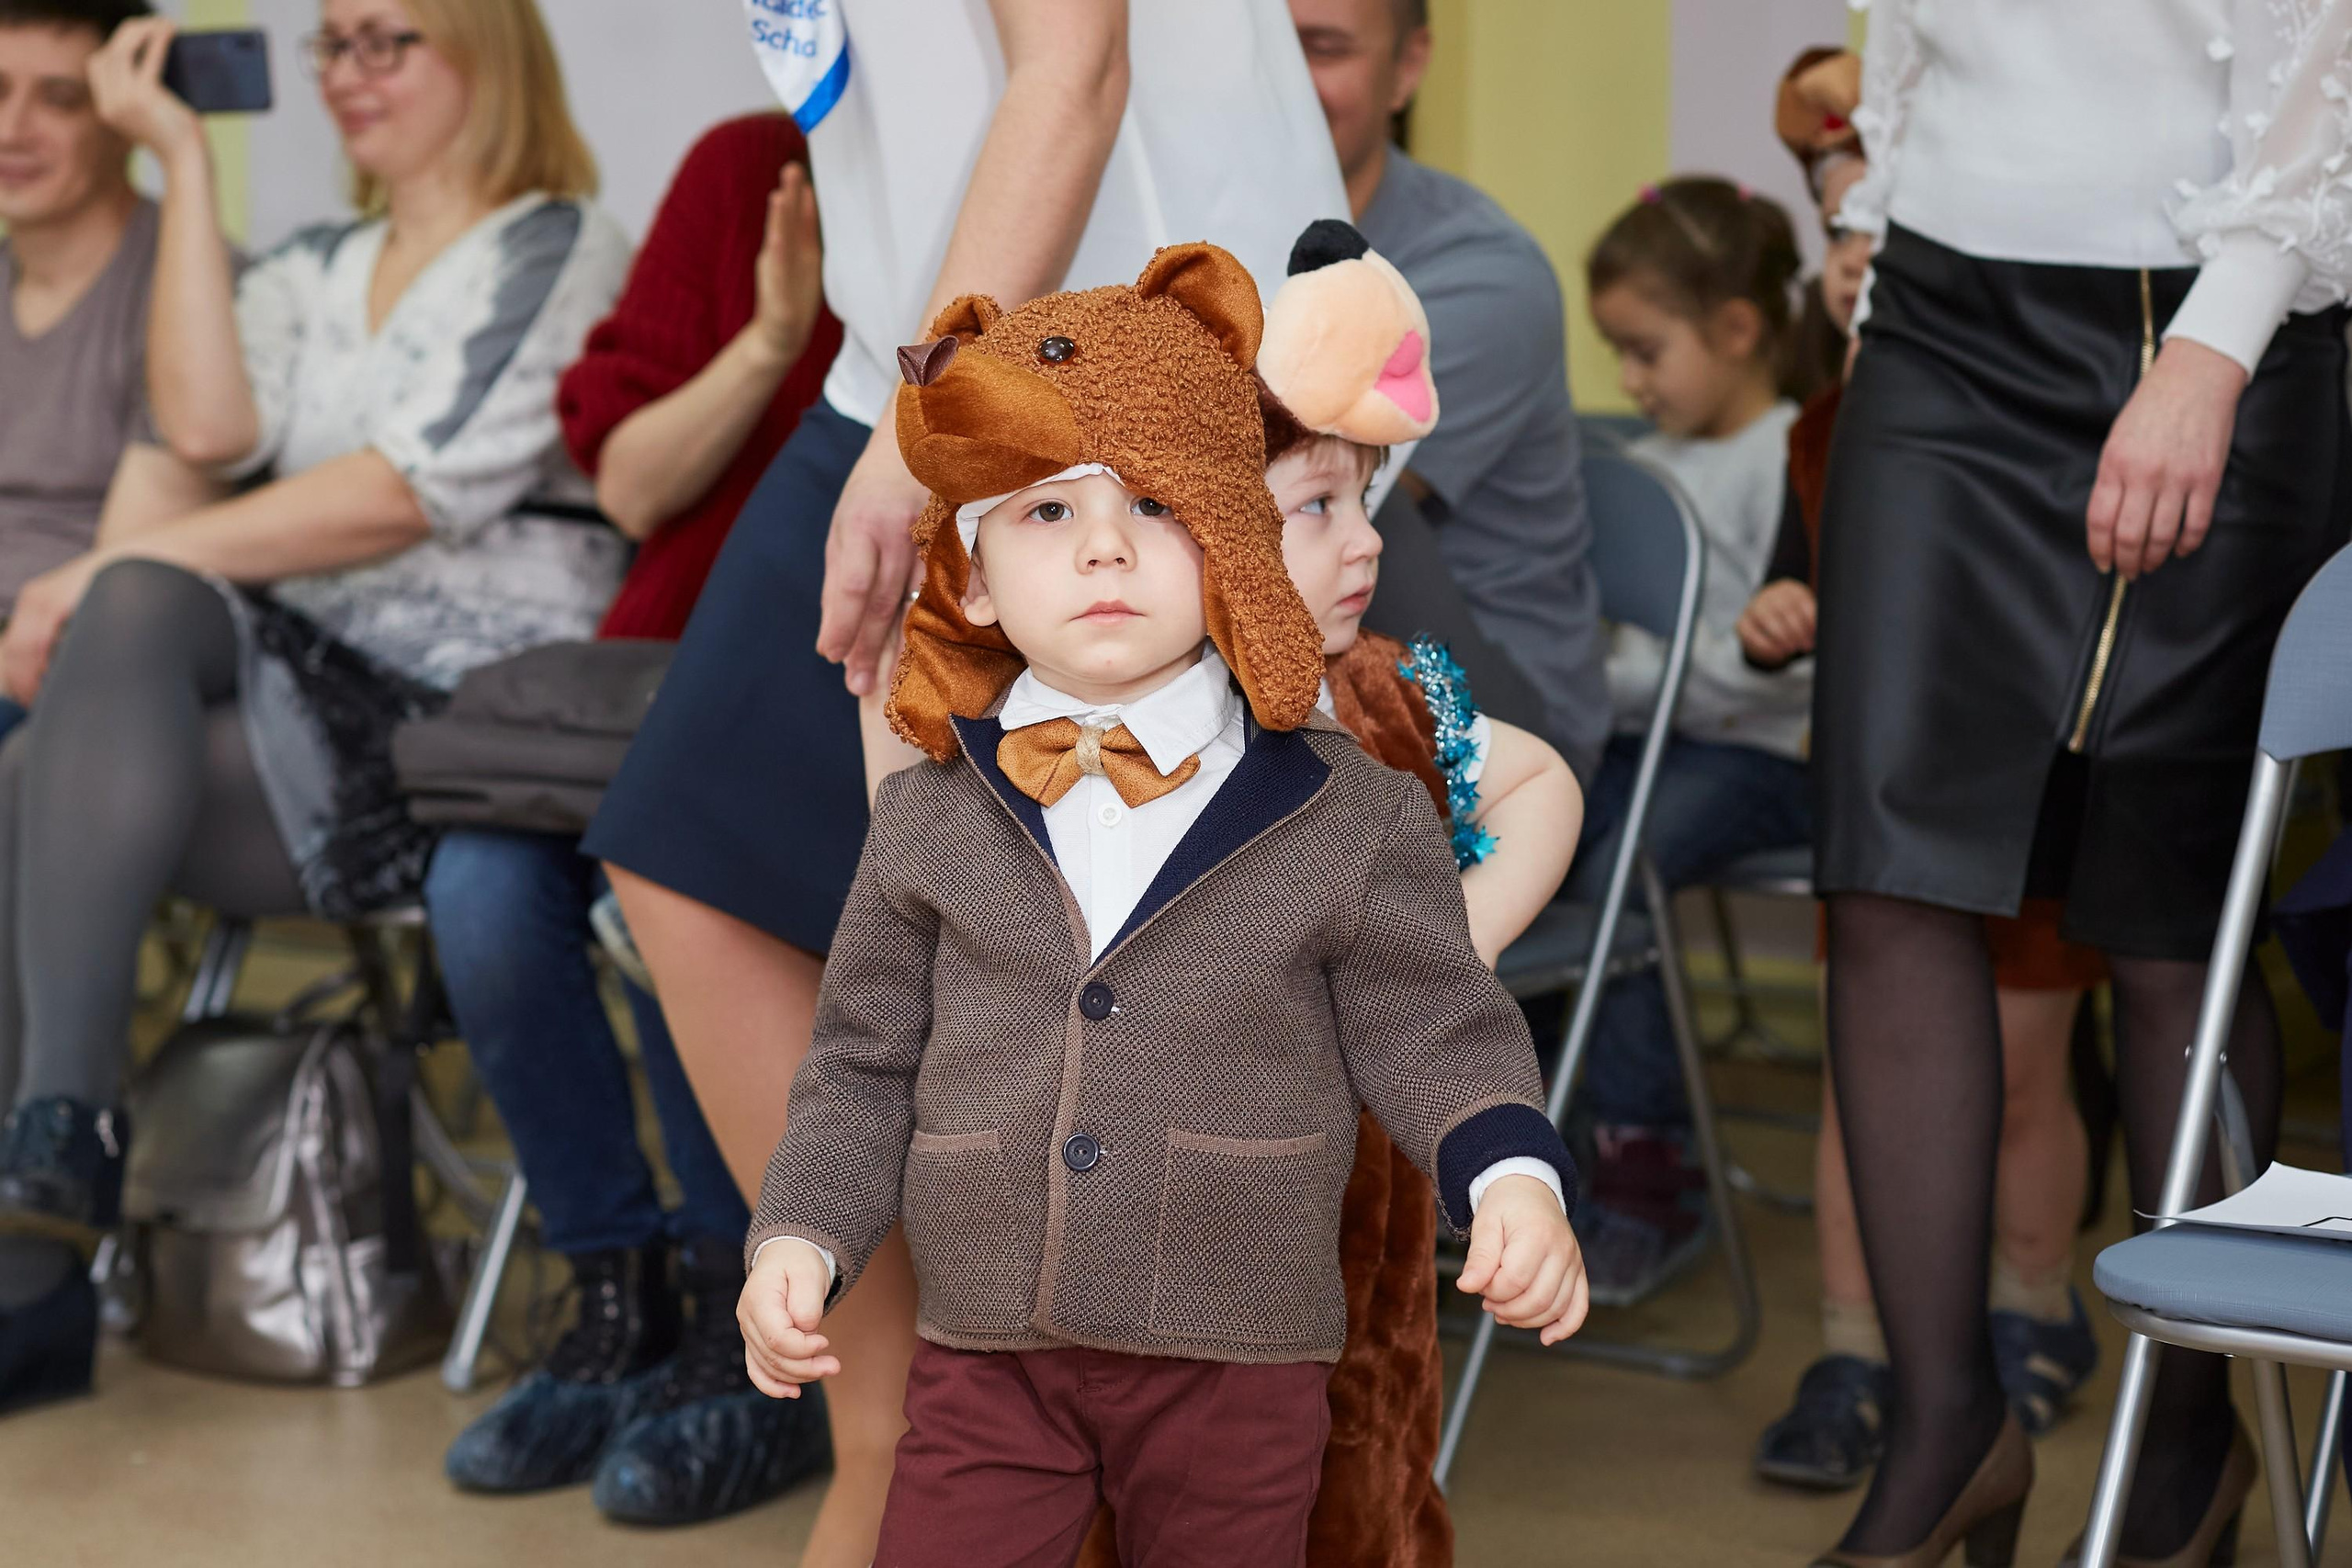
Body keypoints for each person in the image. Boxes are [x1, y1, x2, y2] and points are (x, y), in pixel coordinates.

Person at [587, 8, 1346, 1562]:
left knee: (1056, 968)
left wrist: (929, 429)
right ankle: (904, 1433)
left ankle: (1013, 1456)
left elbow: (1074, 68)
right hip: (909, 358)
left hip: (1127, 358)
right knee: (686, 843)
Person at [735, 244, 1586, 1568]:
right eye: (1047, 514)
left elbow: (1443, 1027)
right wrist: (800, 1231)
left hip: (1237, 1348)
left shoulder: (1349, 809)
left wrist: (1514, 1176)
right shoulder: (929, 816)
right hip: (987, 1347)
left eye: (1153, 503)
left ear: (1228, 529)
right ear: (971, 567)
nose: (1107, 549)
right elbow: (857, 1062)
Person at [0, 0, 628, 1414]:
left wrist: (110, 565)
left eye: (386, 41)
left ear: (488, 56)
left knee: (132, 605)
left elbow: (405, 491)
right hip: (298, 700)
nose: (348, 76)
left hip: (462, 727)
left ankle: (57, 1171)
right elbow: (207, 434)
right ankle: (42, 1228)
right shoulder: (305, 264)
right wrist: (178, 160)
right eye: (329, 46)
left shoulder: (552, 243)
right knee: (35, 762)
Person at [1810, 4, 2352, 1562]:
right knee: (1887, 865)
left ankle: (2189, 1444)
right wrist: (1875, 218)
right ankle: (1945, 1432)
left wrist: (2215, 348)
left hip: (2196, 324)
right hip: (1933, 318)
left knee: (2169, 915)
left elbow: (2326, 73)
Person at [1075, 218, 1585, 1568]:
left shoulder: (1386, 697)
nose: (1364, 541)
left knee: (1354, 1489)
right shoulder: (1117, 726)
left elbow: (1541, 787)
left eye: (1366, 498)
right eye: (1317, 506)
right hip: (1143, 1264)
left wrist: (1437, 948)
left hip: (1358, 1259)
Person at [428, 114, 840, 1526]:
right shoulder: (746, 166)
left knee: (676, 876)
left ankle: (747, 1323)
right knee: (481, 880)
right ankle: (618, 1294)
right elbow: (631, 483)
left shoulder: (1044, 173)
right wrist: (773, 336)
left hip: (842, 681)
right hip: (654, 669)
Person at [1738, 58, 2102, 1490]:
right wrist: (1781, 617)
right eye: (1840, 242)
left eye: (1885, 240)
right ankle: (1857, 1338)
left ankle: (2027, 1298)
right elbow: (1790, 585)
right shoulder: (1820, 431)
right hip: (1874, 801)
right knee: (1859, 1076)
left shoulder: (2052, 426)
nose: (1857, 267)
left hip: (2032, 794)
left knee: (2020, 1076)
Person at [1567, 176, 1814, 1305]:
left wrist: (1620, 679)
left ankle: (1644, 1169)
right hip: (1651, 739)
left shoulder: (1793, 454)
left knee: (1625, 870)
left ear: (1736, 330)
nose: (1628, 380)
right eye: (1615, 352)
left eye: (1646, 350)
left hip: (1766, 761)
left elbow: (1783, 672)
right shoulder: (1649, 457)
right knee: (1525, 837)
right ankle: (1541, 1140)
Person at [1289, 0, 1610, 781]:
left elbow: (1286, 510)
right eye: (1268, 56)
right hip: (1316, 662)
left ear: (1407, 67)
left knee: (1325, 478)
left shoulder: (1482, 275)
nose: (1286, 87)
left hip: (1496, 711)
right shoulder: (1197, 240)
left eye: (1323, 51)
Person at [0, 0, 163, 748]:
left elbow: (127, 573)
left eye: (59, 99)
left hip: (57, 652)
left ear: (121, 116)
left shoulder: (189, 292)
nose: (13, 129)